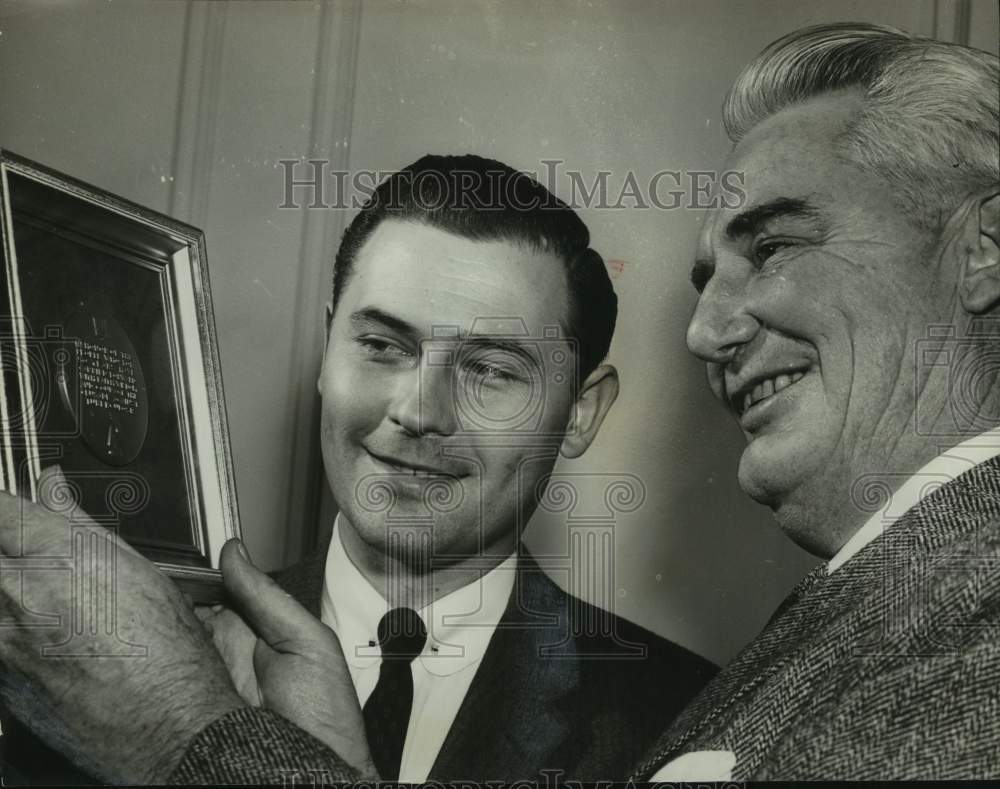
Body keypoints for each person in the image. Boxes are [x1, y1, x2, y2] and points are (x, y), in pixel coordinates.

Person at [0, 155, 714, 784]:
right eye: (380, 345)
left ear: (582, 412)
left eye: (491, 370)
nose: (418, 409)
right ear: (326, 346)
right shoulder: (100, 659)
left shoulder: (687, 719)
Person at [631, 22, 1000, 780]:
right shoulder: (899, 597)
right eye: (706, 283)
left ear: (984, 247)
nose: (703, 334)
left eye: (772, 248)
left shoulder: (972, 620)